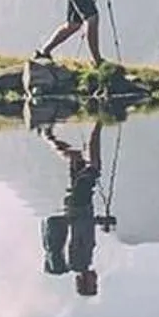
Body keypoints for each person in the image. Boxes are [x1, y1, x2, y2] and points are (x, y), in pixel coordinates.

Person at [38, 119, 115, 297]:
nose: (96, 280)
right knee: (77, 159)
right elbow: (80, 228)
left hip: (80, 202)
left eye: (93, 284)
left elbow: (79, 228)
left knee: (94, 167)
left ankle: (99, 122)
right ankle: (47, 135)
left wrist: (97, 221)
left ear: (85, 282)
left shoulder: (80, 262)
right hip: (76, 204)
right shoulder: (79, 263)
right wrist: (100, 221)